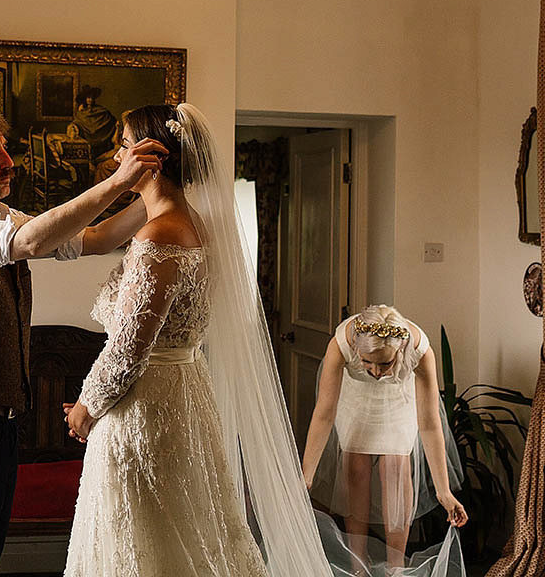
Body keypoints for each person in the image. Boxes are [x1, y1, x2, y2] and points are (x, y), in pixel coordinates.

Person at [62, 103, 335, 576]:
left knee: (145, 533)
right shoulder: (193, 225)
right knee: (181, 526)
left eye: (123, 144)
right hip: (184, 392)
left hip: (144, 403)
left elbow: (129, 347)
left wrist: (88, 406)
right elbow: (100, 238)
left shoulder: (160, 237)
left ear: (153, 159)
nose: (116, 153)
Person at [0, 103, 166, 576]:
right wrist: (117, 181)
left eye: (5, 149)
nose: (9, 161)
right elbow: (28, 243)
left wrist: (155, 192)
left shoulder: (4, 215)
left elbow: (93, 239)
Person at [302, 305, 467, 575]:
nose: (376, 371)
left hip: (398, 398)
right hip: (356, 397)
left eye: (384, 363)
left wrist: (443, 491)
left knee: (396, 471)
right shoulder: (341, 343)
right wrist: (306, 476)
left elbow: (429, 423)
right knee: (356, 468)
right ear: (356, 349)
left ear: (400, 350)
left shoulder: (420, 350)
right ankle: (357, 565)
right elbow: (324, 414)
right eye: (367, 362)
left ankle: (396, 567)